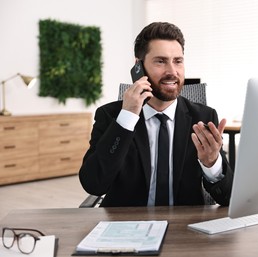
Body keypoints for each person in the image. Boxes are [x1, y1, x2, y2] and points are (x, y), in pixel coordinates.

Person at [79, 22, 233, 207]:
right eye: (160, 61)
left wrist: (212, 164)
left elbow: (228, 198)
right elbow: (94, 184)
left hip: (185, 227)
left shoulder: (203, 117)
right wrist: (127, 119)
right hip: (125, 226)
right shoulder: (111, 115)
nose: (172, 72)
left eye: (178, 61)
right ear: (139, 67)